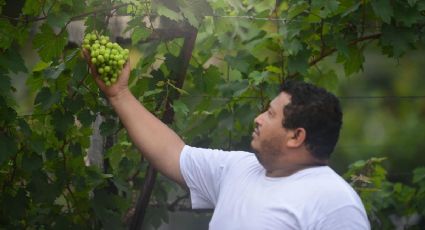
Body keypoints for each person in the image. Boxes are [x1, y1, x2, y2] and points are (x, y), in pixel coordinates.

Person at [84, 53, 370, 229]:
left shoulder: (334, 203)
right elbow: (171, 152)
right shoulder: (239, 169)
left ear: (297, 136)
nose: (258, 119)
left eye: (270, 114)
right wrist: (119, 95)